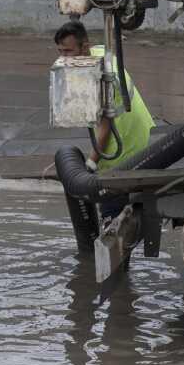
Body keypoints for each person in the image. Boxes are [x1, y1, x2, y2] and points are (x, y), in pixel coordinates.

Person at [54, 21, 155, 222]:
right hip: (148, 141)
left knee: (112, 221)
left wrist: (89, 165)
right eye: (60, 51)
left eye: (68, 51)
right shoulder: (102, 54)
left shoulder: (96, 77)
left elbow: (105, 129)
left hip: (125, 156)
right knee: (135, 217)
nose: (62, 58)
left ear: (84, 47)